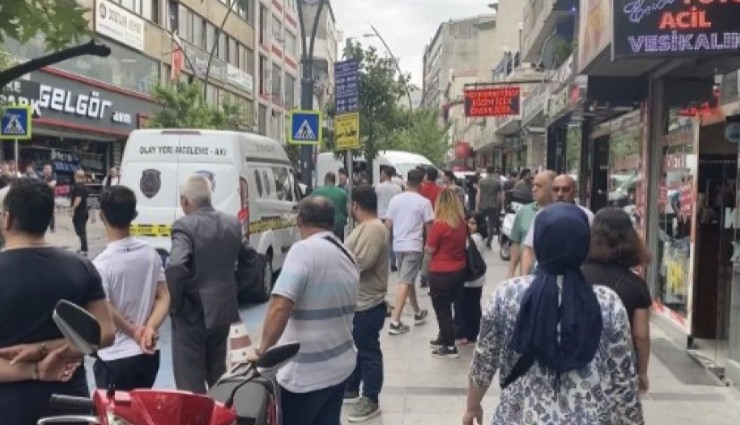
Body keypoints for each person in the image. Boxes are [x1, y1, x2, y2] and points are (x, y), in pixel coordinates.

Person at [463, 203, 643, 425]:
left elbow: (484, 361)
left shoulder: (507, 295)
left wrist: (472, 406)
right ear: (585, 244)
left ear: (539, 243)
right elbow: (622, 377)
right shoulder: (607, 302)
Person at [0, 178, 115, 425]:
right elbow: (105, 333)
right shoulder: (81, 266)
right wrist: (51, 347)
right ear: (47, 218)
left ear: (7, 219)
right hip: (68, 404)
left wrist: (36, 362)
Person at [254, 197, 359, 425]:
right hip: (338, 365)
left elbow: (281, 305)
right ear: (332, 222)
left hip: (306, 375)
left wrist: (263, 350)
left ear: (300, 219)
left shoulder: (303, 251)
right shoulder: (347, 254)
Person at [166, 174, 244, 393]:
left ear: (184, 201)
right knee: (217, 373)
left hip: (191, 314)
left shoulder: (184, 226)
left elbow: (176, 267)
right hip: (222, 310)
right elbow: (250, 259)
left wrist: (175, 305)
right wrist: (235, 288)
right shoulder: (231, 223)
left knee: (190, 381)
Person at [93, 186, 171, 391]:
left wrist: (134, 331)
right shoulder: (150, 253)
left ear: (102, 216)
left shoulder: (101, 264)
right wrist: (150, 328)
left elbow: (106, 308)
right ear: (134, 215)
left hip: (115, 357)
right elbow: (164, 297)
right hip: (149, 354)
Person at [581, 208, 652, 394]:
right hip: (620, 368)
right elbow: (641, 335)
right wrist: (642, 372)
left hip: (579, 364)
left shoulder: (574, 276)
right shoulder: (637, 285)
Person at [343, 185, 388, 422]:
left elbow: (363, 261)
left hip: (368, 303)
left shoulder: (373, 229)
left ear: (355, 206)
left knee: (368, 351)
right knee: (359, 348)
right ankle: (352, 387)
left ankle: (371, 398)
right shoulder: (367, 227)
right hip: (359, 301)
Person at [385, 169, 432, 335]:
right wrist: (430, 246)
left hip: (398, 245)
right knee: (405, 280)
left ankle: (417, 312)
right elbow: (429, 227)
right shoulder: (424, 203)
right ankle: (395, 321)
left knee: (407, 278)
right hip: (414, 245)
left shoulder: (395, 201)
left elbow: (388, 224)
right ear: (421, 183)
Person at [521, 174, 593, 274]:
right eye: (556, 189)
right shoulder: (541, 216)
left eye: (565, 190)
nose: (560, 194)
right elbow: (529, 250)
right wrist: (524, 278)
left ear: (574, 192)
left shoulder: (587, 216)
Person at [426, 188, 468, 358]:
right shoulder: (462, 224)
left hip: (440, 273)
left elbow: (429, 249)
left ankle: (449, 346)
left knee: (442, 310)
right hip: (459, 271)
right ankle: (445, 337)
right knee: (450, 307)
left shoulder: (439, 225)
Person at [508, 170, 555, 278]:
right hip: (527, 276)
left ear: (552, 188)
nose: (534, 189)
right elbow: (516, 242)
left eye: (539, 186)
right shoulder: (524, 211)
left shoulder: (561, 213)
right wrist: (511, 270)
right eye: (533, 185)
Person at [454, 212, 486, 346]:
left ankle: (468, 334)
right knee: (473, 306)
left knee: (468, 307)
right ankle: (473, 333)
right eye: (468, 222)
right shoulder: (479, 238)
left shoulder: (474, 238)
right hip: (477, 279)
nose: (470, 225)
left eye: (473, 223)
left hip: (470, 279)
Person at [376, 167, 402, 272]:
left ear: (385, 174)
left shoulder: (378, 187)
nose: (380, 175)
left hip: (381, 216)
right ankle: (393, 262)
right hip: (393, 216)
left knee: (381, 241)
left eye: (382, 173)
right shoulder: (397, 188)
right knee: (392, 240)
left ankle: (381, 262)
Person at [312, 172, 349, 241]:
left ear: (325, 180)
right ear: (334, 181)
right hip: (339, 224)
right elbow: (348, 210)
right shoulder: (343, 193)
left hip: (323, 224)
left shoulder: (317, 192)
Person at [477, 166, 503, 249]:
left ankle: (481, 239)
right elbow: (499, 196)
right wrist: (498, 206)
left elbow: (478, 194)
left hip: (482, 205)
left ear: (486, 171)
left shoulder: (481, 181)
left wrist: (478, 204)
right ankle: (489, 242)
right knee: (491, 225)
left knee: (480, 223)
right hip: (493, 205)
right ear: (494, 171)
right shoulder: (497, 182)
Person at [70, 169, 90, 255]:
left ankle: (84, 249)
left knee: (81, 231)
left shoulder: (78, 186)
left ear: (76, 176)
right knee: (81, 230)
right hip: (84, 210)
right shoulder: (84, 186)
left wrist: (73, 208)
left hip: (80, 211)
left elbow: (78, 199)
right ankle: (82, 247)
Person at [42, 164, 57, 232]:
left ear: (50, 170)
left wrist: (43, 184)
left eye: (47, 168)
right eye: (45, 168)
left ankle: (52, 227)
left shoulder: (53, 176)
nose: (45, 170)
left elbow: (52, 185)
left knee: (51, 212)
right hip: (42, 196)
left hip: (50, 196)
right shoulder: (42, 177)